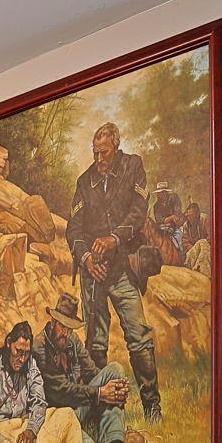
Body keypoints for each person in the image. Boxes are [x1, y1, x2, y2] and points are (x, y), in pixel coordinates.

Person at [36, 294, 177, 443]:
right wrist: (101, 394)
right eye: (62, 326)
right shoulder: (39, 347)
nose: (66, 333)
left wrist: (115, 390)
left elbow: (92, 372)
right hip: (58, 422)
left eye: (70, 327)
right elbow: (60, 391)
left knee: (114, 370)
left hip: (77, 410)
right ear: (52, 322)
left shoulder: (71, 342)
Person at [69, 122, 161, 422]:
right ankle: (99, 409)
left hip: (122, 268)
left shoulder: (133, 166)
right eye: (95, 154)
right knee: (95, 343)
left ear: (116, 148)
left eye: (104, 153)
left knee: (139, 336)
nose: (99, 160)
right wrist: (85, 259)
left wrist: (115, 238)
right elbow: (74, 229)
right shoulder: (84, 182)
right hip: (93, 273)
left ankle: (152, 407)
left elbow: (138, 211)